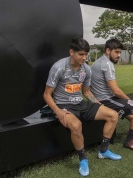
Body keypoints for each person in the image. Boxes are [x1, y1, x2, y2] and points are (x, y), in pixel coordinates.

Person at [43, 37, 121, 177]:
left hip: (81, 103)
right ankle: (83, 159)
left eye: (86, 54)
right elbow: (47, 95)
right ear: (71, 52)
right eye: (81, 54)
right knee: (77, 125)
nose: (84, 58)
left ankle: (103, 151)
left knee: (113, 115)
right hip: (64, 105)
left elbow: (86, 92)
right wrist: (58, 112)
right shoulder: (59, 67)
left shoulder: (86, 69)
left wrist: (97, 103)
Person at [90, 39, 133, 151]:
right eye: (116, 52)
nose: (119, 55)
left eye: (120, 52)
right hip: (106, 99)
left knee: (128, 113)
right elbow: (116, 90)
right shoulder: (107, 64)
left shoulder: (98, 61)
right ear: (108, 50)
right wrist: (131, 101)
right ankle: (129, 140)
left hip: (102, 98)